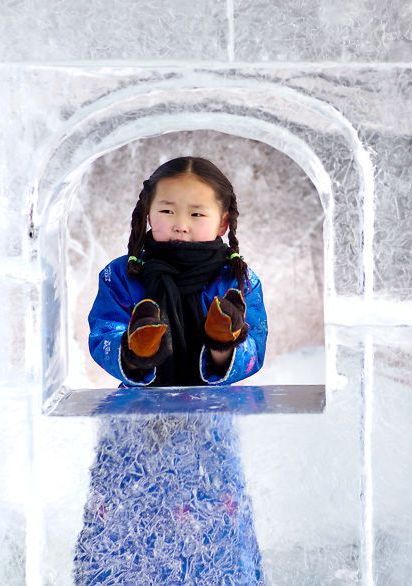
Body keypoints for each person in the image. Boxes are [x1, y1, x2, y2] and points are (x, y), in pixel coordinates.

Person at [73, 156, 268, 584]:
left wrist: (224, 345)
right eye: (166, 210)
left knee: (211, 527)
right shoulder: (122, 276)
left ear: (222, 222)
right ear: (147, 214)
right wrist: (134, 351)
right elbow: (102, 332)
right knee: (127, 528)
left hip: (209, 432)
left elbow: (256, 344)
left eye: (196, 214)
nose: (180, 223)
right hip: (134, 431)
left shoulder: (237, 280)